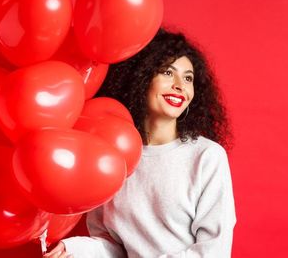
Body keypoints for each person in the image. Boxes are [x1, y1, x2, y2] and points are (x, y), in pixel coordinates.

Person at [44, 27, 236, 257]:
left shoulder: (207, 156)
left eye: (188, 78)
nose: (180, 85)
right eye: (167, 72)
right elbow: (112, 246)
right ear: (142, 78)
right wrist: (76, 249)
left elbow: (214, 250)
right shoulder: (113, 155)